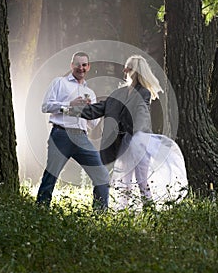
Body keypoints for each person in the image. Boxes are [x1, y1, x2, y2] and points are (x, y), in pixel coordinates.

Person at [69, 54, 188, 209]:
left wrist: (137, 134)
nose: (124, 70)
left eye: (129, 67)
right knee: (124, 182)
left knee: (141, 180)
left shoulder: (143, 92)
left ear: (136, 71)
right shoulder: (118, 93)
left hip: (139, 142)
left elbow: (141, 112)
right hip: (122, 145)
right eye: (126, 66)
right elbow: (97, 109)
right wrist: (71, 109)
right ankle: (122, 211)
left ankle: (149, 209)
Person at [36, 51, 110, 210]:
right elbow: (45, 106)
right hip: (61, 134)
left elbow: (93, 124)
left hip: (81, 137)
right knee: (51, 175)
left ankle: (100, 214)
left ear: (88, 67)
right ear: (71, 65)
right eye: (77, 64)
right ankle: (40, 211)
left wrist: (90, 110)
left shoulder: (90, 93)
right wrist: (70, 105)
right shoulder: (59, 82)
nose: (81, 68)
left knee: (101, 174)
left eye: (84, 65)